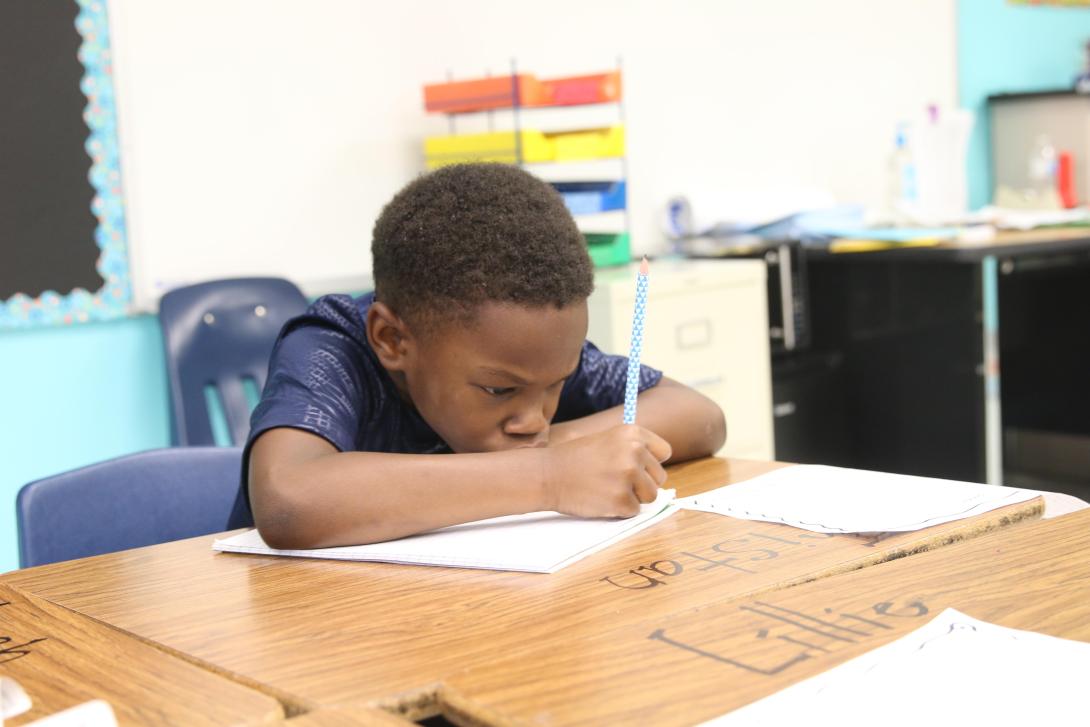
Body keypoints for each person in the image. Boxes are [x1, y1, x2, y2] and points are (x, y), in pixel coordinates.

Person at [244, 163, 726, 549]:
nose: (534, 419)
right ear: (392, 340)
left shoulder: (528, 360)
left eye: (558, 384)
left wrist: (566, 447)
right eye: (499, 390)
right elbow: (291, 500)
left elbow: (699, 416)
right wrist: (549, 475)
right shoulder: (332, 347)